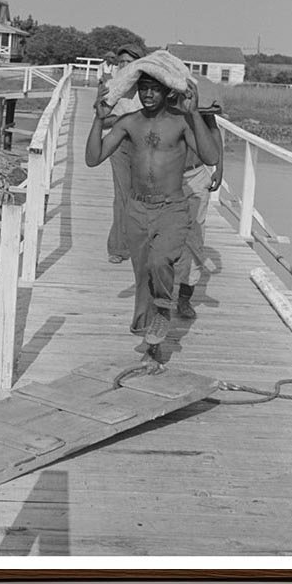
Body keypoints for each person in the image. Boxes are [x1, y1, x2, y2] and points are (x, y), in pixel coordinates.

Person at [85, 71, 220, 366]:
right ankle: (152, 345)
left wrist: (194, 114)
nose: (148, 95)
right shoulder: (129, 122)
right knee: (143, 276)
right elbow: (93, 158)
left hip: (171, 208)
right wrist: (98, 119)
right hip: (137, 210)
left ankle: (162, 310)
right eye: (143, 89)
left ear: (167, 91)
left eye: (155, 89)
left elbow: (210, 158)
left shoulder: (181, 121)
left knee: (160, 262)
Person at [174, 84, 224, 319]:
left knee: (194, 236)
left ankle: (185, 296)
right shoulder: (160, 95)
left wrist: (219, 168)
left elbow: (214, 131)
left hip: (196, 173)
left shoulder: (198, 95)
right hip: (166, 176)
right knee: (159, 234)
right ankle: (156, 294)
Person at [97, 42, 144, 263]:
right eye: (121, 62)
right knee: (123, 195)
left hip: (146, 147)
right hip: (120, 145)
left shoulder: (148, 87)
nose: (125, 66)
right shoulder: (112, 86)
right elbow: (102, 120)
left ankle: (142, 244)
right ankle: (117, 247)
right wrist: (125, 119)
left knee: (144, 196)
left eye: (130, 62)